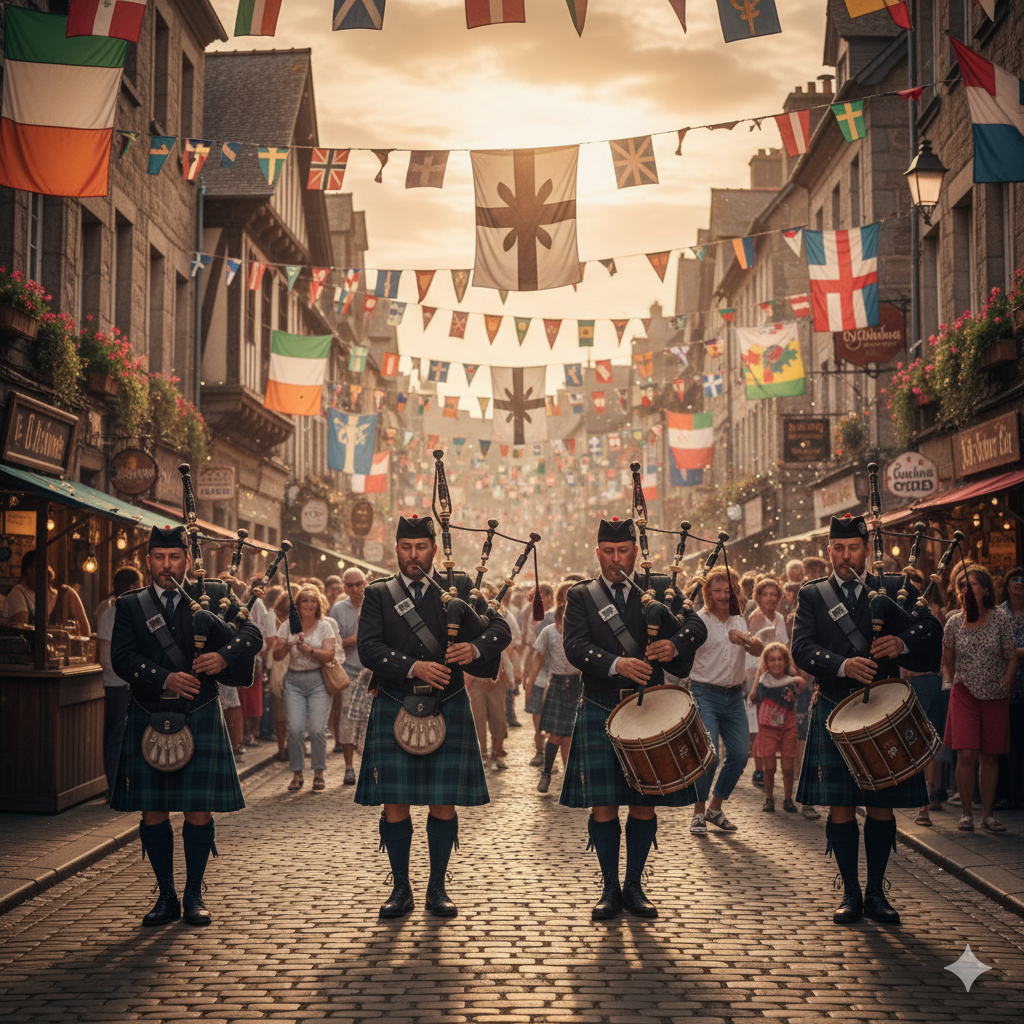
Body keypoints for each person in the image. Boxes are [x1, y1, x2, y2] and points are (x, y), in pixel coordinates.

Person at [355, 514, 512, 918]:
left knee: (444, 804)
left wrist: (474, 651)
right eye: (406, 548)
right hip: (395, 701)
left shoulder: (457, 585)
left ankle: (437, 888)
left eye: (420, 547)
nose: (413, 555)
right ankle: (401, 888)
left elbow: (501, 630)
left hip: (449, 702)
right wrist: (413, 667)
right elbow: (368, 649)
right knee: (395, 804)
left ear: (434, 549)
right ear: (396, 551)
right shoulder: (379, 594)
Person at [791, 513, 942, 926]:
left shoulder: (893, 587)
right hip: (835, 707)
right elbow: (801, 648)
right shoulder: (813, 595)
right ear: (828, 551)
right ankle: (850, 893)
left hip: (885, 712)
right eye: (837, 549)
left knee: (880, 806)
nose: (845, 556)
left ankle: (876, 892)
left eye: (852, 548)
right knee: (840, 806)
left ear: (866, 550)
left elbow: (930, 627)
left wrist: (901, 640)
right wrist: (841, 665)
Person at [109, 525, 262, 926]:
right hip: (149, 711)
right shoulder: (131, 605)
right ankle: (165, 896)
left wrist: (223, 658)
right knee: (153, 810)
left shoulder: (209, 593)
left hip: (201, 710)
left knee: (199, 809)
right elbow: (121, 658)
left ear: (187, 560)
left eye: (173, 557)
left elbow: (252, 634)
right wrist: (164, 678)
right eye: (158, 558)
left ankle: (194, 893)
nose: (166, 565)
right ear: (147, 562)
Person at [560, 517, 708, 920]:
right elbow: (574, 646)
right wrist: (616, 663)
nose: (615, 559)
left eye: (622, 551)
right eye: (607, 552)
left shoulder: (659, 587)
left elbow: (697, 626)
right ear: (597, 553)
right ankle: (609, 888)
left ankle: (635, 886)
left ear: (635, 552)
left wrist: (672, 645)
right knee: (604, 804)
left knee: (644, 805)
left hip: (651, 709)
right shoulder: (582, 596)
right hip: (600, 706)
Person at [688, 565, 763, 835]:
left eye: (727, 590)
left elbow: (759, 649)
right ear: (708, 592)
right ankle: (698, 812)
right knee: (710, 756)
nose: (722, 595)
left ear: (735, 592)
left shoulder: (739, 619)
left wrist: (745, 640)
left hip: (734, 697)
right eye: (717, 590)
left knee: (741, 755)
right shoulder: (699, 620)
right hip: (704, 693)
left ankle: (715, 808)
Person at [942, 562, 1016, 833]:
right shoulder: (953, 622)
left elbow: (1010, 657)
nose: (965, 589)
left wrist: (1008, 679)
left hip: (995, 693)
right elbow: (947, 659)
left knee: (990, 755)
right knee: (966, 753)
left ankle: (987, 815)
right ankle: (966, 814)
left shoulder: (999, 618)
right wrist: (949, 684)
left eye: (971, 584)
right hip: (964, 693)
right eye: (962, 585)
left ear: (985, 589)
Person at [272, 586, 336, 793]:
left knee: (317, 729)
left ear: (319, 604)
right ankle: (297, 773)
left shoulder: (325, 626)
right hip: (294, 682)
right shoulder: (287, 626)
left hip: (318, 681)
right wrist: (289, 644)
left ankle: (319, 772)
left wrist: (308, 649)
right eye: (304, 601)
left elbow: (329, 655)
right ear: (297, 604)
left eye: (313, 601)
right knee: (296, 729)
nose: (309, 604)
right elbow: (276, 656)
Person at [97, 566, 143, 795]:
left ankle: (131, 784)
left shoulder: (138, 612)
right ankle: (115, 787)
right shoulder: (110, 614)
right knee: (117, 735)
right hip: (118, 684)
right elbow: (105, 657)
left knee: (136, 735)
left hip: (134, 683)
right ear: (132, 587)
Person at [532, 581, 579, 792]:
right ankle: (546, 774)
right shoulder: (549, 631)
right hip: (557, 682)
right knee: (556, 736)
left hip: (578, 685)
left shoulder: (582, 629)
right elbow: (538, 658)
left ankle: (571, 779)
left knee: (569, 735)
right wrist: (530, 681)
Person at [746, 577, 790, 788]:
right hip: (757, 674)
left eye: (774, 594)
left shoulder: (780, 618)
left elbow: (785, 646)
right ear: (758, 597)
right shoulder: (755, 617)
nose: (770, 598)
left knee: (775, 722)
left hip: (778, 675)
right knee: (760, 725)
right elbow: (753, 650)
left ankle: (771, 768)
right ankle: (758, 770)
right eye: (766, 594)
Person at [752, 642, 805, 812]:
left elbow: (802, 684)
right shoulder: (763, 680)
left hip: (788, 724)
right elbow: (755, 698)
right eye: (772, 659)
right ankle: (769, 799)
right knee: (770, 767)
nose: (776, 663)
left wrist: (797, 679)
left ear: (786, 661)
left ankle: (788, 799)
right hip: (768, 726)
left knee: (788, 768)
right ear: (766, 662)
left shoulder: (791, 680)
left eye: (780, 659)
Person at [328, 568, 369, 784]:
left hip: (373, 672)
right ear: (345, 587)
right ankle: (349, 767)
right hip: (349, 671)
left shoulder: (374, 604)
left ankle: (369, 765)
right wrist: (353, 640)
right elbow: (332, 644)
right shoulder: (337, 609)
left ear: (365, 583)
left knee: (370, 719)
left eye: (359, 584)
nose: (356, 589)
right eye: (350, 585)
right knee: (348, 719)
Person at [7, 549, 90, 635]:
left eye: (46, 566)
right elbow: (21, 631)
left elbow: (85, 631)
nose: (46, 571)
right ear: (30, 571)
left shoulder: (66, 594)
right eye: (41, 567)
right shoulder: (18, 593)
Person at [997, 567, 1024, 808]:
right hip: (1007, 686)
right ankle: (1007, 792)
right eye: (1014, 579)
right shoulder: (1000, 614)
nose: (1019, 583)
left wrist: (1014, 652)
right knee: (1007, 741)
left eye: (1022, 580)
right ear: (1007, 586)